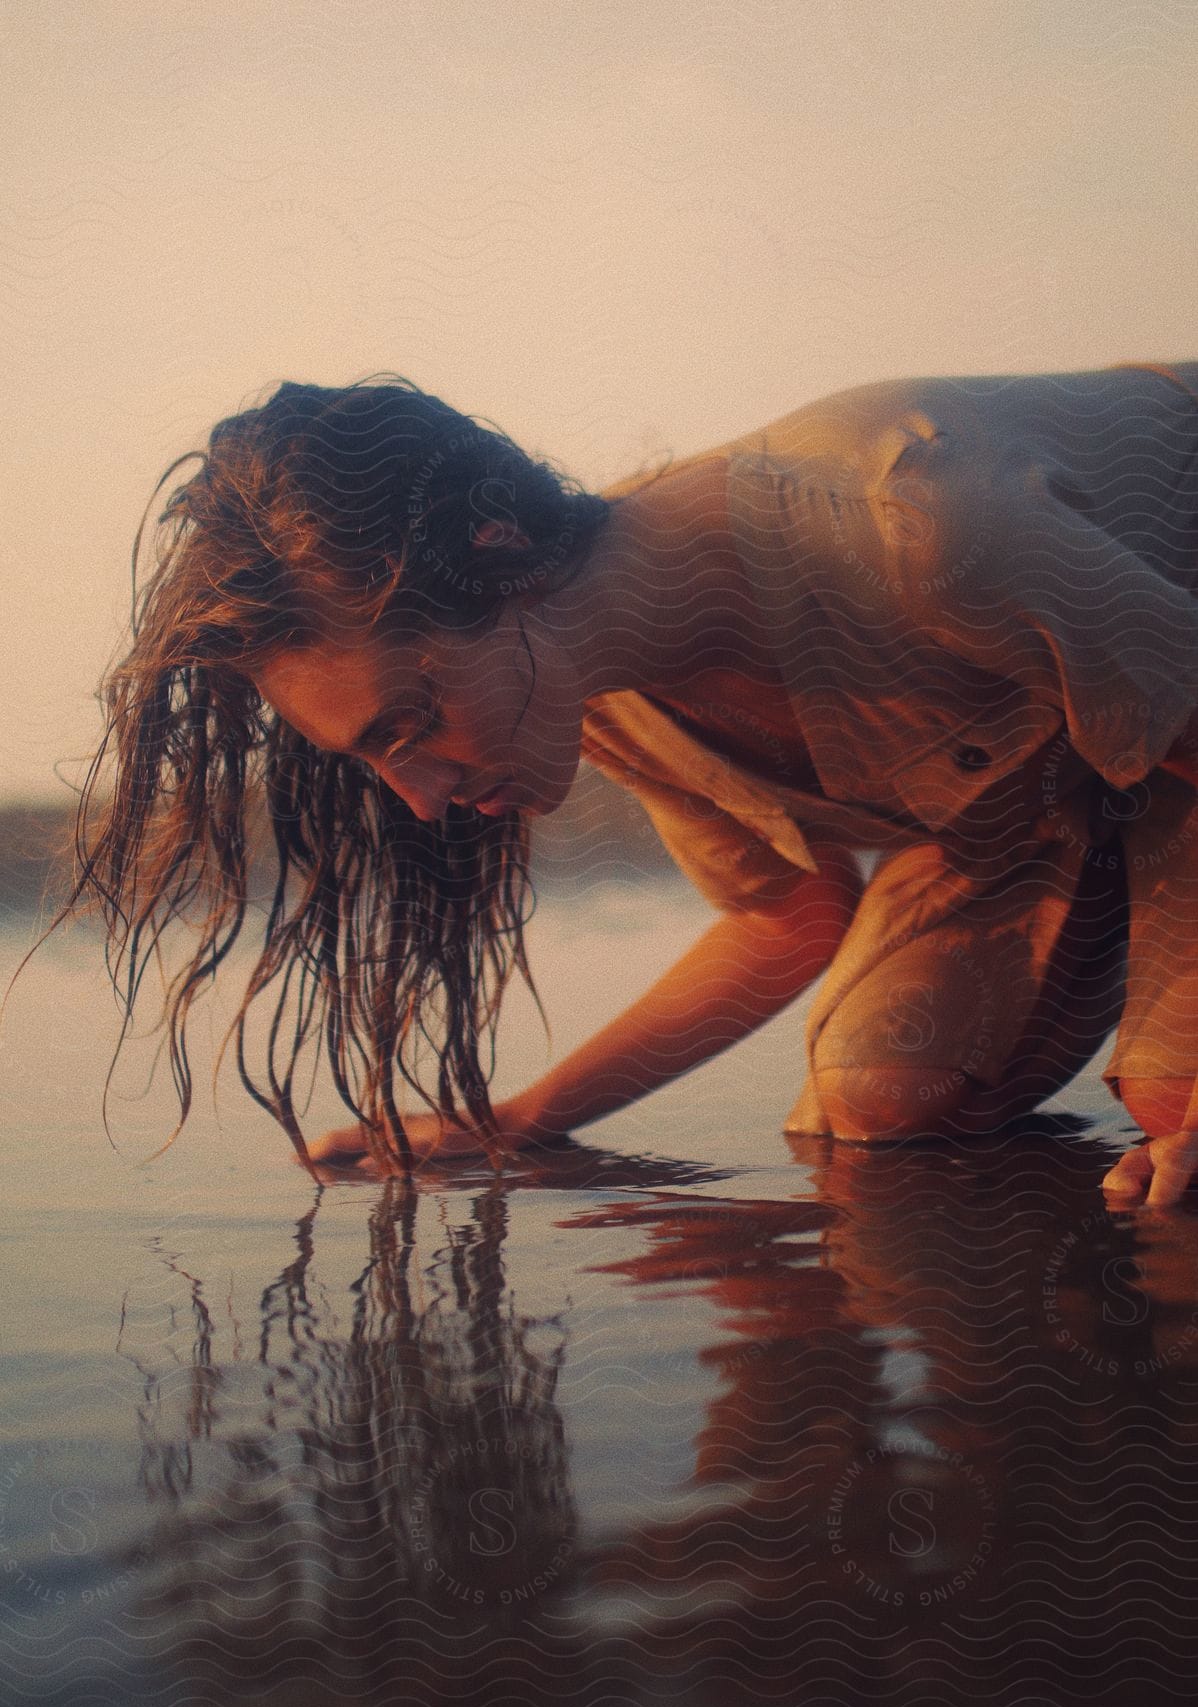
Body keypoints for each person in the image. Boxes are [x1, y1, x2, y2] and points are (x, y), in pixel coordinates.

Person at [56, 363, 1198, 1205]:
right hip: (1048, 795)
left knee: (1170, 1115)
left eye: (410, 723)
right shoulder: (589, 688)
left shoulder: (918, 523)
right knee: (876, 1110)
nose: (422, 797)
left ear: (502, 555)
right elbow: (783, 914)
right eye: (373, 755)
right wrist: (521, 1119)